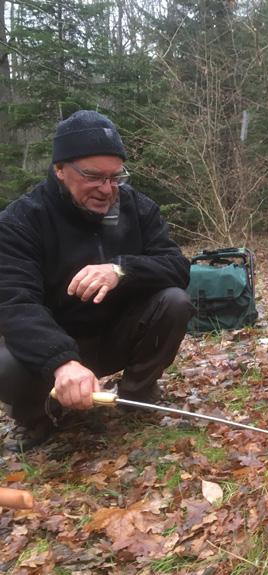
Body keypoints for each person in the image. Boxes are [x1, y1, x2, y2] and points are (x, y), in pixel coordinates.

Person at [0, 110, 194, 451]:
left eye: (115, 177)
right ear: (60, 170)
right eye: (93, 177)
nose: (107, 190)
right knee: (4, 362)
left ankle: (138, 392)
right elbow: (16, 303)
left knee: (175, 301)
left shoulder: (138, 208)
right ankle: (39, 417)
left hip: (117, 334)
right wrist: (61, 361)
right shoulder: (21, 221)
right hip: (56, 346)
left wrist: (121, 270)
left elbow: (177, 266)